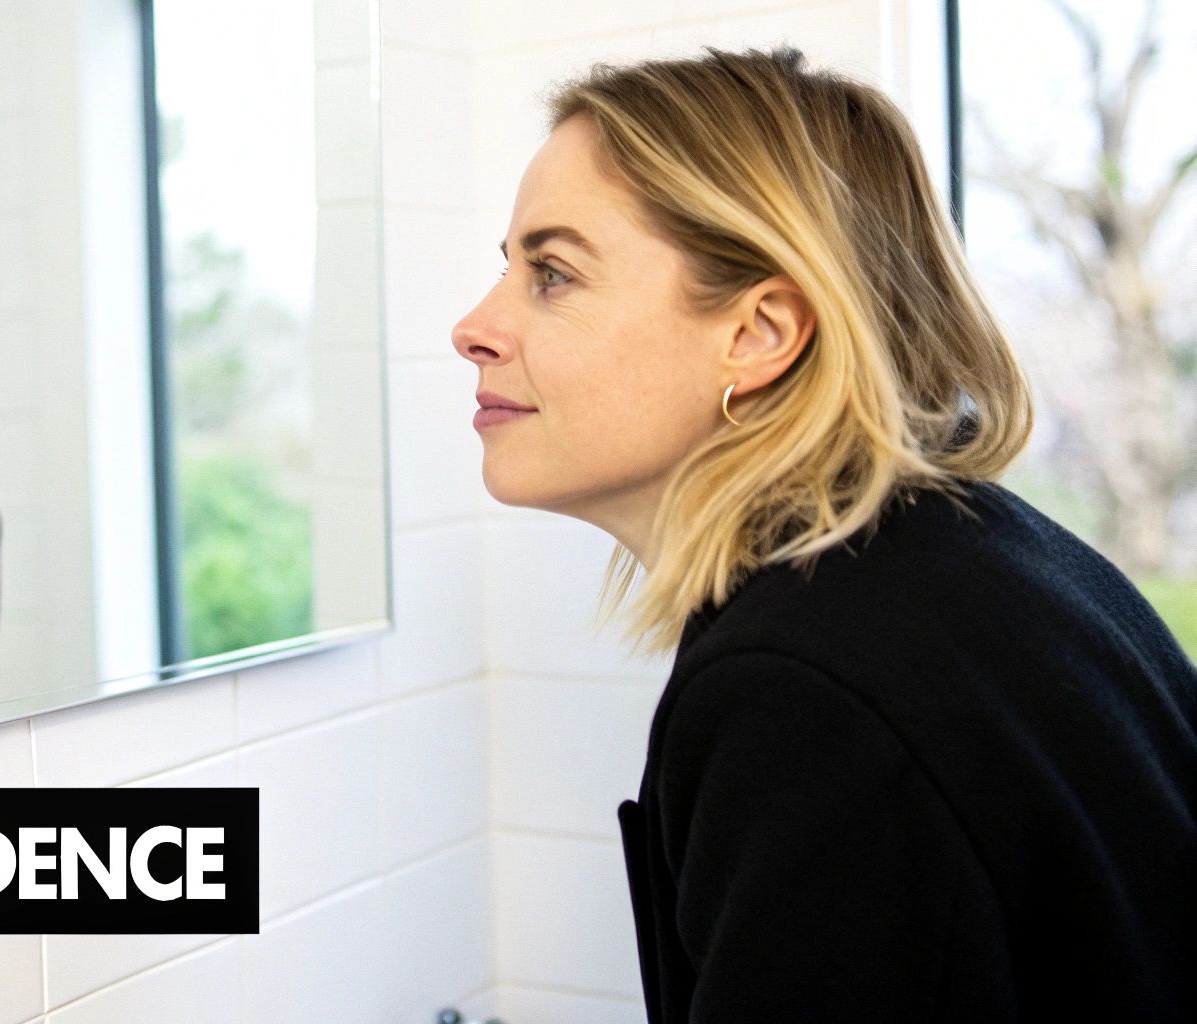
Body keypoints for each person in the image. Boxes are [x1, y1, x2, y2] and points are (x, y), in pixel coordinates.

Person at [453, 47, 1196, 1022]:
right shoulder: (970, 560)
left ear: (760, 333)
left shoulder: (808, 687)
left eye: (551, 273)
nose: (474, 326)